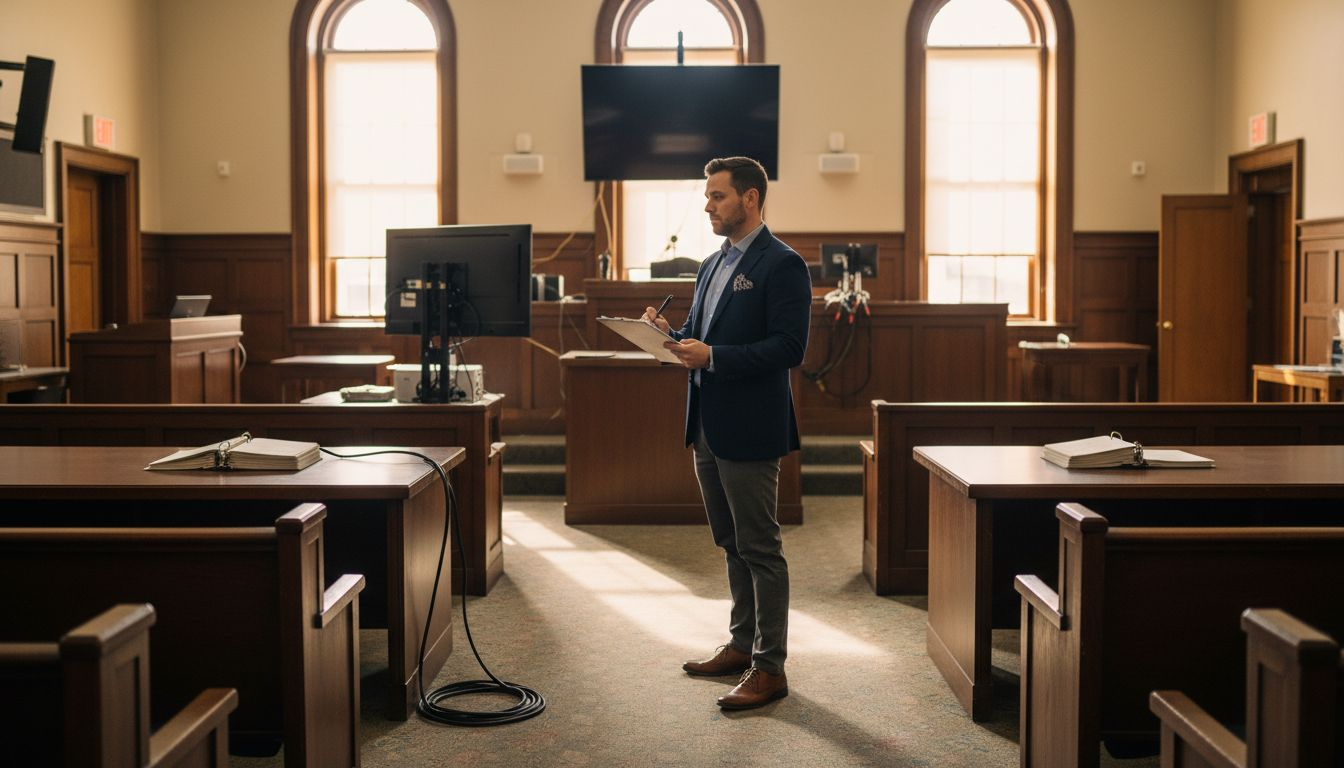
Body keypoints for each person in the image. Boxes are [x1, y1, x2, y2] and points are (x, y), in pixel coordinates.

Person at [643, 156, 812, 710]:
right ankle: (742, 645)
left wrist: (712, 355)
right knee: (730, 542)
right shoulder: (711, 264)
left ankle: (771, 667)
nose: (708, 206)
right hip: (706, 425)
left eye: (718, 196)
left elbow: (790, 348)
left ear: (750, 198)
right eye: (708, 196)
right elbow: (698, 334)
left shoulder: (782, 263)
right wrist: (667, 334)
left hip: (751, 425)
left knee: (761, 547)